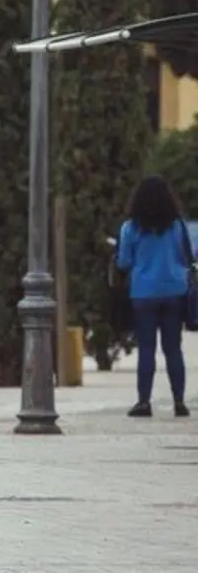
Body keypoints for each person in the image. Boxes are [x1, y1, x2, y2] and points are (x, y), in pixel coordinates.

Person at [115, 175, 190, 418]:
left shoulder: (130, 228)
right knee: (173, 349)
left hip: (143, 293)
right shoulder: (177, 226)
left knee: (146, 348)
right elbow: (185, 257)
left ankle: (144, 402)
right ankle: (179, 401)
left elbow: (124, 262)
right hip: (174, 291)